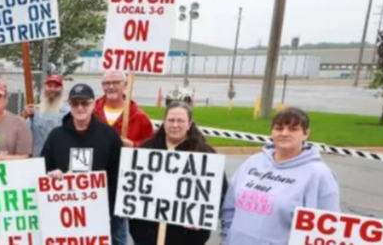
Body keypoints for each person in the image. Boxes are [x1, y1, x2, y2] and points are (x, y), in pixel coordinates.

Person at [220, 107, 340, 245]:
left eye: (293, 129)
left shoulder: (319, 175)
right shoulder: (253, 162)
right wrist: (226, 237)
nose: (284, 133)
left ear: (306, 134)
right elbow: (230, 206)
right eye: (279, 128)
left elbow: (327, 228)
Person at [129, 102, 227, 245]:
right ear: (164, 122)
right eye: (171, 120)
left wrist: (201, 216)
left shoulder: (204, 154)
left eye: (180, 121)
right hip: (147, 234)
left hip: (187, 237)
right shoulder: (147, 149)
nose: (175, 125)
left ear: (189, 124)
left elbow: (219, 192)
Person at [40, 83, 124, 243]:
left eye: (84, 103)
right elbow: (43, 167)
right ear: (69, 105)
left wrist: (112, 207)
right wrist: (51, 174)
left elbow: (119, 172)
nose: (80, 108)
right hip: (64, 213)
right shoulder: (56, 136)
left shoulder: (109, 135)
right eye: (75, 103)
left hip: (101, 213)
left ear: (93, 104)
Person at [93, 70, 154, 245]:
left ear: (125, 85)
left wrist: (134, 145)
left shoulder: (139, 116)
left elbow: (152, 149)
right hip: (94, 181)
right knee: (93, 231)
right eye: (106, 83)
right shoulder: (93, 113)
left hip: (122, 184)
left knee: (119, 233)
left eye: (116, 82)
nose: (110, 86)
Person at [22, 74, 70, 158]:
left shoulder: (68, 113)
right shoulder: (34, 112)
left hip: (60, 161)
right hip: (38, 161)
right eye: (49, 86)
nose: (52, 89)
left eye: (56, 86)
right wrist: (24, 116)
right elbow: (21, 136)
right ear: (44, 88)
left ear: (62, 89)